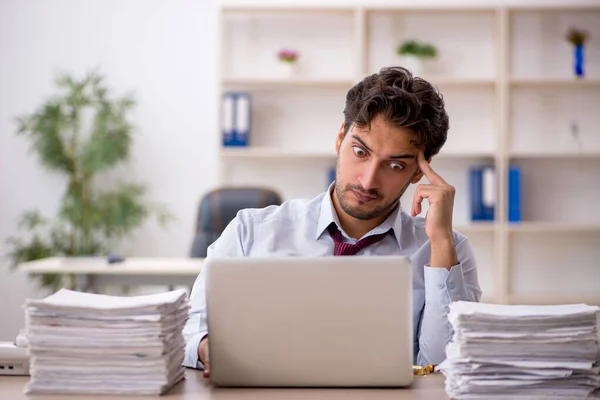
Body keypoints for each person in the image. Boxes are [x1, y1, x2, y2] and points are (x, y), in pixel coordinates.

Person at [182, 66, 482, 378]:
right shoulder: (251, 231)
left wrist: (442, 244)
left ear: (419, 172)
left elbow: (446, 369)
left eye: (394, 165)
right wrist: (208, 348)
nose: (367, 181)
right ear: (340, 138)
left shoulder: (449, 250)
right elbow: (189, 330)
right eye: (359, 151)